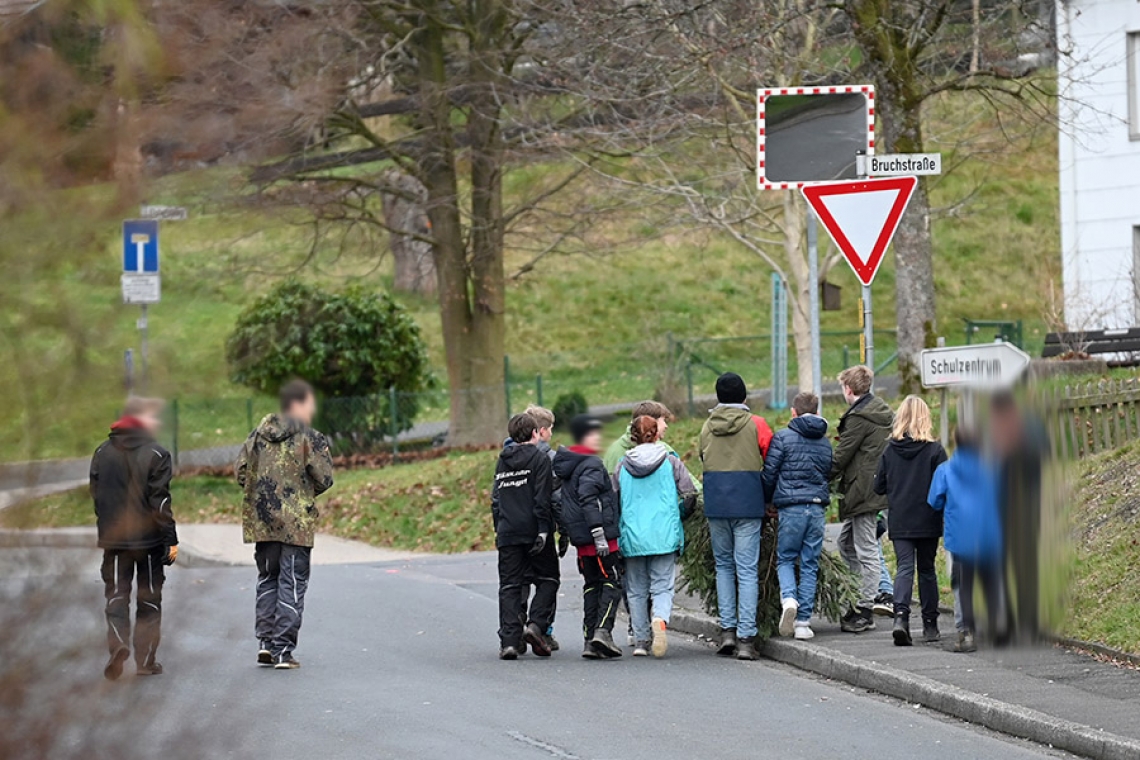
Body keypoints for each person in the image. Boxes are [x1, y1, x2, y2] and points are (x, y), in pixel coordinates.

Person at [235, 380, 335, 670]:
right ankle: (283, 650)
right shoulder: (310, 438)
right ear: (300, 404)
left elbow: (240, 471)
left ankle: (265, 644)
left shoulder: (257, 435)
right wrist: (302, 493)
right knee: (292, 582)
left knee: (267, 578)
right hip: (296, 524)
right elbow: (324, 478)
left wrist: (262, 495)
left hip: (262, 521)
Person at [91, 396, 179, 680]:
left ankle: (118, 646)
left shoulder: (102, 452)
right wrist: (171, 539)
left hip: (114, 542)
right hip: (149, 542)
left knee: (116, 596)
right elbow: (160, 503)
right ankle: (146, 661)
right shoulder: (156, 454)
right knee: (149, 598)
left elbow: (97, 496)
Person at [698, 372, 773, 660]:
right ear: (744, 397)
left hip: (717, 503)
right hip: (748, 502)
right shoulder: (757, 424)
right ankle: (745, 638)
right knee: (747, 570)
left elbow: (705, 459)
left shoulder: (707, 426)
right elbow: (771, 457)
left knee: (724, 567)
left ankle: (727, 630)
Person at [613, 416, 699, 658]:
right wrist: (678, 516)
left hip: (633, 536)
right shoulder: (671, 462)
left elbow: (613, 501)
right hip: (663, 533)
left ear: (633, 436)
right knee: (662, 587)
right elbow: (689, 494)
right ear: (657, 434)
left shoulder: (622, 466)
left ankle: (641, 640)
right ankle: (660, 620)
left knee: (636, 590)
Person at [873, 395, 948, 646]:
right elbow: (944, 486)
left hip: (901, 518)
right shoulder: (935, 451)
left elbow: (878, 486)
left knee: (904, 567)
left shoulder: (889, 451)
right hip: (928, 517)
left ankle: (901, 619)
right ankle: (930, 625)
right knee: (926, 570)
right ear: (925, 418)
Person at [762, 391, 832, 641]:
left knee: (786, 558)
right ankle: (803, 622)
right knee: (810, 562)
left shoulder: (782, 438)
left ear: (793, 412)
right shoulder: (825, 442)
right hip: (816, 507)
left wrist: (768, 501)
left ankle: (788, 598)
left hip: (790, 508)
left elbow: (769, 473)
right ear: (817, 411)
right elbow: (828, 472)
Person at [928, 429, 1005, 653]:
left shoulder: (945, 470)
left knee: (963, 584)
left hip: (960, 535)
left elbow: (934, 500)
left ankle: (966, 632)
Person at [553, 414, 623, 659]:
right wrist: (598, 532)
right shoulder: (591, 463)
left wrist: (566, 532)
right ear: (588, 436)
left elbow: (562, 502)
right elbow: (588, 498)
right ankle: (602, 632)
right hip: (599, 537)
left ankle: (589, 639)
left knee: (592, 585)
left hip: (581, 541)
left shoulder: (567, 466)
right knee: (612, 582)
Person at [491, 413, 559, 660]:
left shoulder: (502, 462)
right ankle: (536, 624)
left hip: (508, 531)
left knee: (510, 586)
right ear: (535, 434)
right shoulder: (540, 460)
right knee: (548, 579)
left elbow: (497, 499)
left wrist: (499, 528)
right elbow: (542, 498)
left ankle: (509, 641)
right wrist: (544, 528)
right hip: (533, 530)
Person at [831, 365, 893, 633]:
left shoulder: (859, 417)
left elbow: (841, 456)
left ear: (848, 389)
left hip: (863, 490)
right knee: (846, 543)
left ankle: (864, 608)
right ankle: (859, 596)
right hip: (874, 488)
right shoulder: (880, 410)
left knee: (865, 549)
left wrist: (815, 473)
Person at [520, 404, 565, 653]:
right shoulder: (550, 458)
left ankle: (515, 629)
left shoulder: (508, 456)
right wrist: (564, 527)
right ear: (542, 431)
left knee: (520, 581)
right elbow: (557, 496)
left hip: (515, 528)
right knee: (548, 579)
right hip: (542, 527)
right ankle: (543, 629)